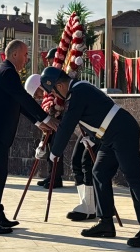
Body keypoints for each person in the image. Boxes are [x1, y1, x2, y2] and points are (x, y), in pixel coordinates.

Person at [40, 67, 140, 247]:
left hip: (122, 131)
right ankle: (105, 223)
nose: (55, 96)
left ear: (60, 85)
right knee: (99, 173)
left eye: (54, 91)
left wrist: (54, 153)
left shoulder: (78, 91)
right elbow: (92, 116)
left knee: (133, 177)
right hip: (109, 136)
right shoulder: (76, 93)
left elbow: (67, 124)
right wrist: (91, 137)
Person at [0, 40, 57, 235]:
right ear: (15, 54)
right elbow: (23, 97)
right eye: (26, 55)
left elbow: (17, 103)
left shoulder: (6, 72)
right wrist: (46, 117)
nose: (27, 59)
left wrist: (38, 122)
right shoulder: (7, 72)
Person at [25, 74, 96, 221]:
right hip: (87, 131)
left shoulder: (73, 93)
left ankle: (93, 206)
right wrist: (42, 144)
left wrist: (55, 151)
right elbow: (50, 126)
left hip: (96, 131)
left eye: (39, 93)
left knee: (87, 164)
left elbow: (62, 126)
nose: (40, 97)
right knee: (77, 162)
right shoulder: (57, 97)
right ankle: (87, 205)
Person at [35, 47, 63, 188]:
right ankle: (51, 175)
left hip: (59, 114)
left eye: (50, 59)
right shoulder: (50, 74)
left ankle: (56, 178)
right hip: (52, 113)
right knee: (50, 145)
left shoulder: (59, 74)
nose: (48, 61)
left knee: (56, 147)